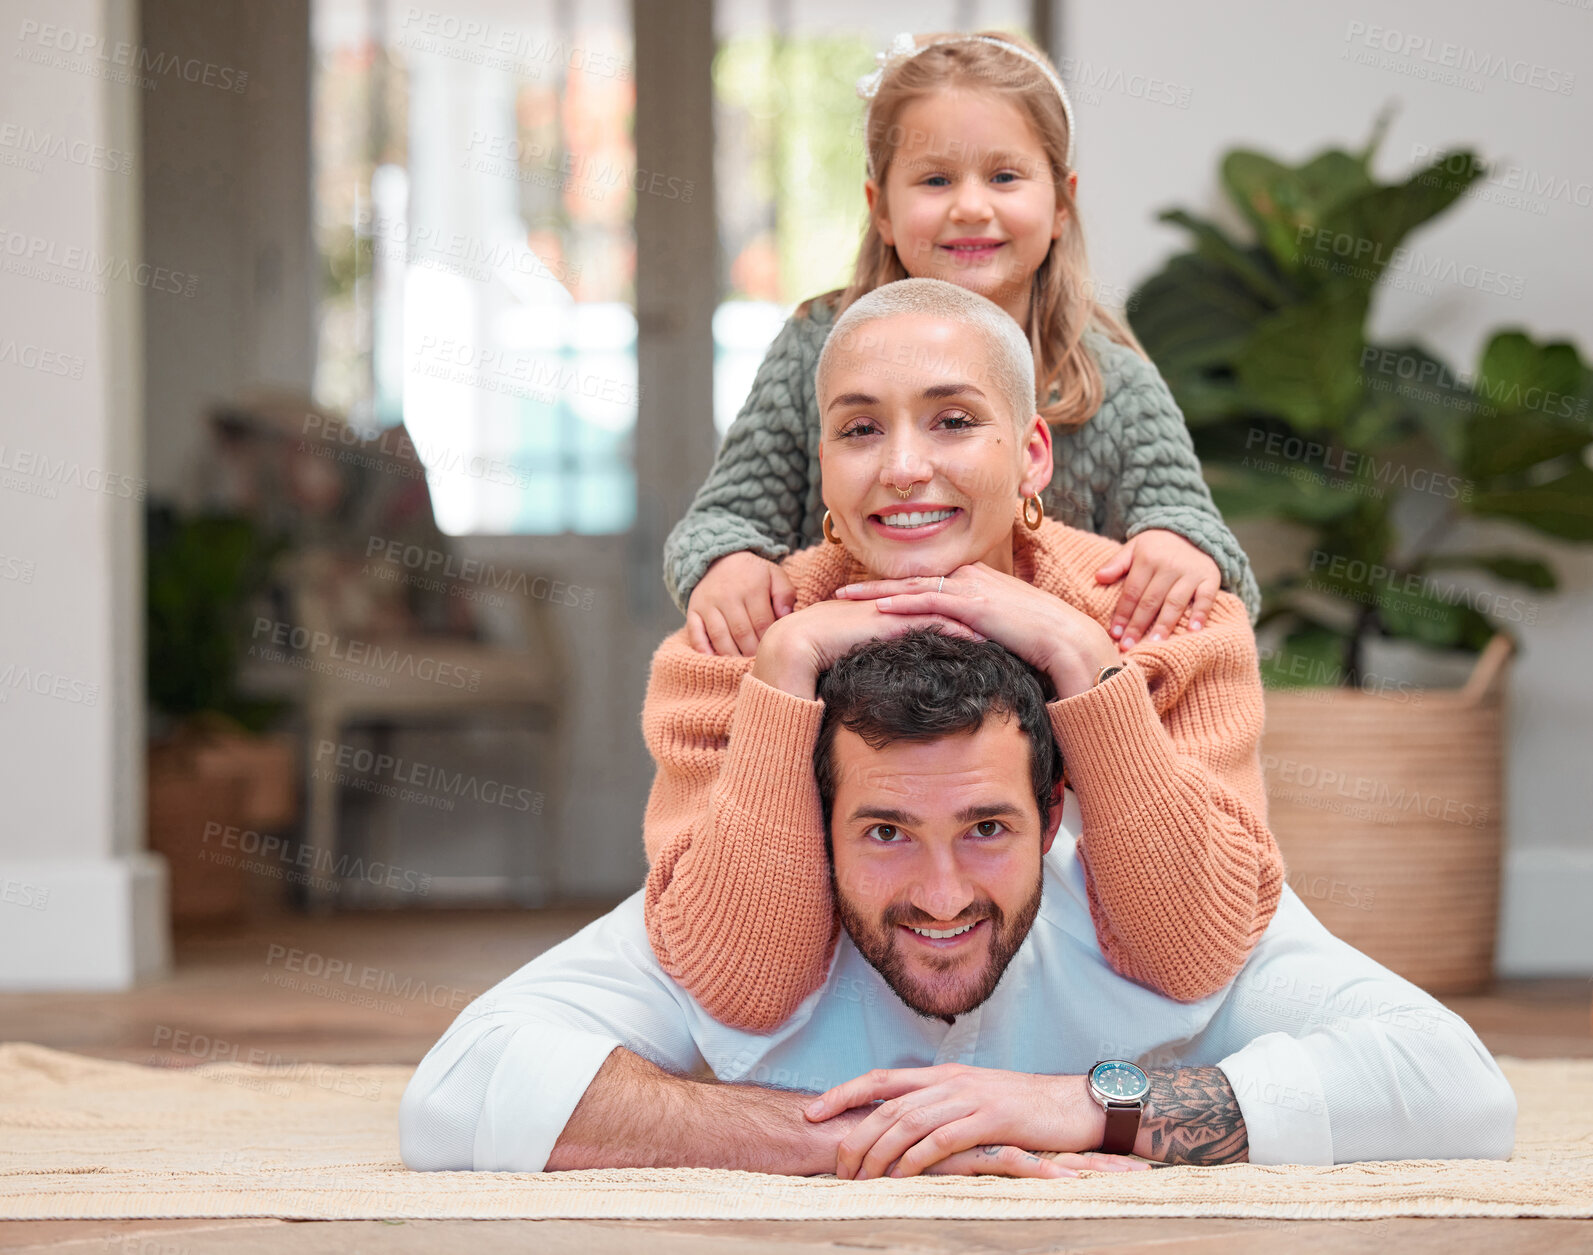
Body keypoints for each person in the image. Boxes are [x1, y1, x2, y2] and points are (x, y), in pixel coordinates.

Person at [399, 629, 1517, 1176]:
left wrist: (1090, 1106)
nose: (941, 895)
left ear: (1060, 812)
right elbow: (458, 1085)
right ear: (817, 823)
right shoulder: (745, 904)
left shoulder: (1148, 899)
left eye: (987, 829)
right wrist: (834, 1136)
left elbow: (1457, 1087)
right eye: (885, 833)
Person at [643, 277, 1282, 1034]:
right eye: (860, 430)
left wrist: (1082, 655)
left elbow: (1192, 957)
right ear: (822, 462)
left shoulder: (1175, 622)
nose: (904, 466)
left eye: (952, 421)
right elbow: (743, 989)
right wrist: (784, 671)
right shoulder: (733, 643)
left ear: (1032, 454)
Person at [666, 31, 1260, 662]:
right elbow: (722, 519)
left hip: (1047, 718)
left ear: (1062, 204)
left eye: (1004, 176)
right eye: (936, 179)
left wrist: (1181, 544)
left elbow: (1205, 551)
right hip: (856, 706)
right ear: (882, 210)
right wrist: (726, 561)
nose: (972, 206)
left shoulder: (1112, 381)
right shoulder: (813, 349)